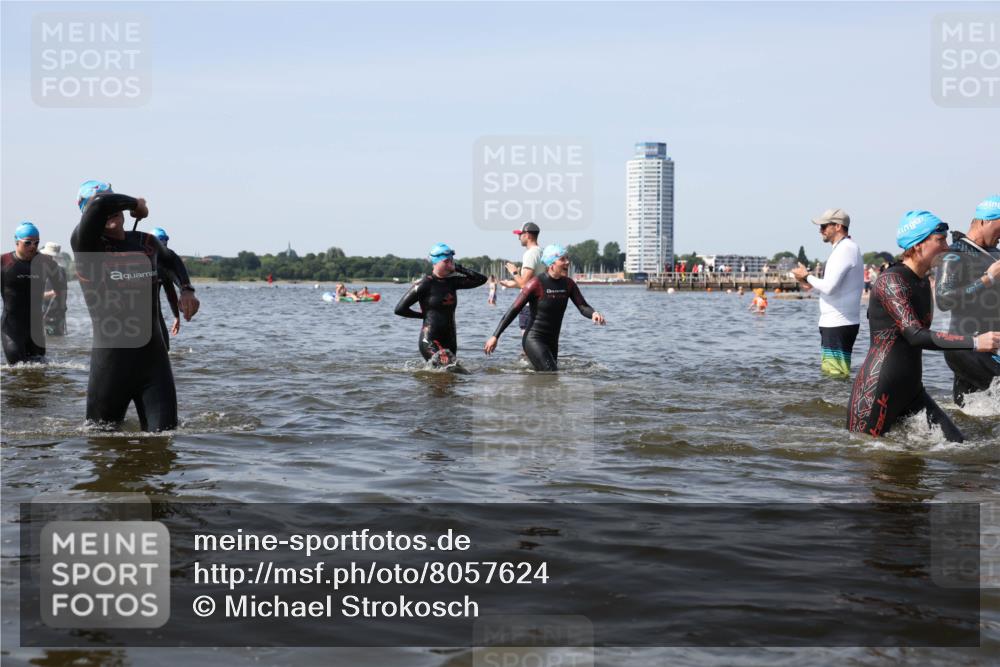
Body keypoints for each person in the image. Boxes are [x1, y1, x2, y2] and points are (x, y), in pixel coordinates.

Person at [847, 211, 1000, 443]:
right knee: (869, 466)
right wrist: (976, 342)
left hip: (912, 391)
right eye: (940, 240)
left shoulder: (920, 281)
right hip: (877, 391)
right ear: (918, 245)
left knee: (959, 446)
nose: (947, 247)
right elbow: (916, 336)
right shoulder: (892, 281)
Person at [70, 180, 200, 431]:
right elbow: (100, 205)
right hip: (111, 366)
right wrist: (137, 204)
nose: (110, 211)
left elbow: (170, 259)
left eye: (115, 205)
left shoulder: (145, 242)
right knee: (101, 444)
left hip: (153, 363)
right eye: (106, 207)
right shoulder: (86, 245)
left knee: (165, 440)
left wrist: (186, 289)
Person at [484, 244, 606, 371]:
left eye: (567, 258)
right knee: (552, 373)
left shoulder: (568, 284)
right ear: (551, 264)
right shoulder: (535, 284)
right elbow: (514, 310)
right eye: (563, 259)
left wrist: (593, 313)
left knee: (548, 378)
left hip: (552, 341)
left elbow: (582, 306)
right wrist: (495, 336)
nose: (568, 262)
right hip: (533, 339)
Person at [934, 195, 1000, 406]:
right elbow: (944, 300)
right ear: (984, 222)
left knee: (969, 413)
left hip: (993, 347)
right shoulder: (954, 255)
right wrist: (987, 279)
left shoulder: (994, 253)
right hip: (965, 346)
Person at [792, 208, 865, 378]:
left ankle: (840, 404)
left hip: (839, 322)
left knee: (835, 375)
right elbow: (831, 286)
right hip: (836, 322)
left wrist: (807, 276)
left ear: (838, 226)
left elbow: (829, 287)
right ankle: (836, 403)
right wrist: (807, 280)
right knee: (833, 373)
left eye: (824, 226)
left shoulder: (845, 249)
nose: (820, 230)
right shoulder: (844, 248)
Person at [394, 243, 486, 365]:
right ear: (436, 262)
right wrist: (423, 316)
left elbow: (481, 279)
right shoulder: (424, 284)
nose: (450, 264)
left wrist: (458, 268)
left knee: (452, 376)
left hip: (450, 339)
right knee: (444, 371)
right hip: (430, 339)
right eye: (446, 261)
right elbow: (400, 309)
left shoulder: (453, 282)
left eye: (451, 261)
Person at [2, 222, 67, 363]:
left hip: (36, 330)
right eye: (28, 243)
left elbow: (61, 286)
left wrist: (62, 307)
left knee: (40, 372)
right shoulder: (4, 262)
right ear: (16, 241)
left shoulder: (45, 263)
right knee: (17, 370)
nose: (33, 246)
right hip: (12, 329)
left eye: (36, 243)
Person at [501, 222, 545, 338]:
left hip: (529, 305)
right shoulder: (542, 252)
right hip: (541, 304)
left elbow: (524, 284)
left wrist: (514, 272)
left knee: (528, 344)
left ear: (528, 235)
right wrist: (513, 284)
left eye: (520, 234)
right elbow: (533, 282)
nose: (518, 237)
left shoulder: (530, 254)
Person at [150, 227, 181, 351]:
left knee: (165, 348)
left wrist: (176, 316)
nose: (163, 244)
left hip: (155, 312)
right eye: (160, 241)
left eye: (165, 240)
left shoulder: (163, 267)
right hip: (135, 313)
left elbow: (170, 293)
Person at [39, 241, 69, 336]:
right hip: (58, 313)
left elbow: (56, 293)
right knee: (57, 340)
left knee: (51, 342)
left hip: (49, 315)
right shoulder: (61, 270)